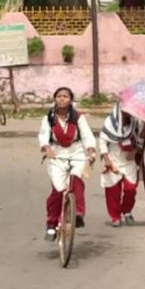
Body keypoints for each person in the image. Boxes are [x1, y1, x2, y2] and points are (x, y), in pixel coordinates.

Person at [39, 87, 96, 241]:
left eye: (65, 96)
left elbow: (87, 135)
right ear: (55, 99)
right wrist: (47, 148)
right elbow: (43, 136)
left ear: (71, 99)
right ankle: (51, 224)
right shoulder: (49, 118)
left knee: (76, 179)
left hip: (76, 151)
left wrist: (90, 151)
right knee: (58, 189)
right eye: (59, 96)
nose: (62, 99)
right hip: (57, 153)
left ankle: (78, 213)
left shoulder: (78, 117)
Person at [99, 102, 144, 227]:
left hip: (129, 160)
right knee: (113, 190)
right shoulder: (110, 122)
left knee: (131, 189)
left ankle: (127, 210)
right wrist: (107, 161)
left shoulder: (135, 122)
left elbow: (139, 140)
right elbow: (103, 141)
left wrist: (134, 152)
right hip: (113, 158)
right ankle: (115, 216)